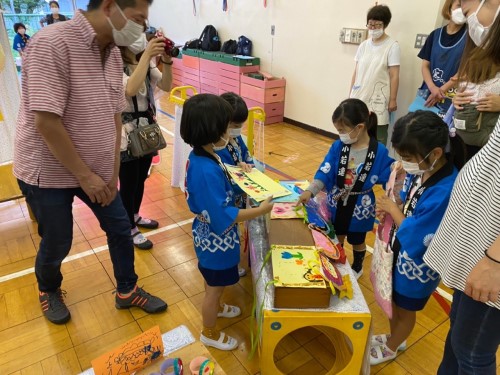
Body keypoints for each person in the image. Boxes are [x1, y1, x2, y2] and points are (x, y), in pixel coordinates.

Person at [13, 0, 167, 325]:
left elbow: (115, 115)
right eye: (138, 18)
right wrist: (85, 176)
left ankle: (127, 290)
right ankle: (48, 287)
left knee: (120, 227)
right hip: (48, 173)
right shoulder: (51, 43)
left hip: (97, 171)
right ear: (111, 7)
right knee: (58, 240)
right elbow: (46, 122)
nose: (141, 28)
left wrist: (111, 172)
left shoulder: (111, 52)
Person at [423, 0, 500, 373]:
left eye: (479, 5)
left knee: (473, 352)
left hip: (492, 256)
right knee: (458, 339)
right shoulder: (480, 56)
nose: (469, 13)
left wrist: (495, 261)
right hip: (478, 243)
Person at [371, 110, 465, 365]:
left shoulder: (446, 188)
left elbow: (419, 234)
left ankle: (393, 345)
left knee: (405, 309)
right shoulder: (425, 170)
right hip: (402, 253)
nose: (403, 162)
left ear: (434, 153)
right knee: (394, 301)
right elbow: (411, 205)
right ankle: (394, 337)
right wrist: (396, 203)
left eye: (408, 157)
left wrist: (394, 210)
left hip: (417, 265)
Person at [181, 94, 273, 351]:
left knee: (214, 283)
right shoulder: (206, 168)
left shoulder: (206, 154)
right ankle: (209, 331)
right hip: (215, 238)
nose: (229, 132)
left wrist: (239, 171)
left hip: (211, 235)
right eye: (225, 126)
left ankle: (218, 307)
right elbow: (224, 214)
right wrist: (261, 210)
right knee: (214, 288)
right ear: (212, 130)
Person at [298, 98, 394, 279]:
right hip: (337, 201)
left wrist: (399, 172)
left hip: (361, 206)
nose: (340, 134)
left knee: (358, 239)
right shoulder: (338, 147)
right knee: (336, 235)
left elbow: (390, 176)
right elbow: (325, 170)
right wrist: (310, 191)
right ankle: (336, 260)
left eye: (342, 130)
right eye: (338, 130)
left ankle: (357, 266)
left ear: (359, 127)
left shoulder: (379, 151)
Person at [119, 33, 172, 250]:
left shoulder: (146, 63)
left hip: (146, 128)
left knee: (141, 177)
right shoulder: (115, 64)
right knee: (129, 180)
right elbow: (130, 89)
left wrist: (167, 60)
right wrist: (147, 56)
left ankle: (135, 215)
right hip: (126, 130)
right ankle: (128, 227)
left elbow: (167, 85)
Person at [453, 0, 500, 159]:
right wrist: (458, 100)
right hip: (466, 141)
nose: (471, 23)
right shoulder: (477, 55)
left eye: (467, 14)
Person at [350, 4, 400, 146]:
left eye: (377, 25)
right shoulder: (364, 45)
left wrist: (393, 99)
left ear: (385, 24)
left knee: (378, 136)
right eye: (370, 24)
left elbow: (395, 75)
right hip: (359, 94)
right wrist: (350, 94)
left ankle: (377, 163)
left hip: (379, 98)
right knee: (356, 130)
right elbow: (356, 71)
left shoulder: (392, 46)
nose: (373, 28)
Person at [216, 92, 253, 277]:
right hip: (227, 198)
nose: (237, 129)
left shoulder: (237, 140)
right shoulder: (217, 145)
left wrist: (247, 165)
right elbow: (223, 176)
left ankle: (232, 261)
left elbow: (246, 157)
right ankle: (226, 266)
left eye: (240, 126)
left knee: (235, 230)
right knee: (226, 231)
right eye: (234, 125)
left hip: (239, 196)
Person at [416, 0, 467, 115]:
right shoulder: (435, 34)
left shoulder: (470, 38)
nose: (463, 9)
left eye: (466, 6)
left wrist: (441, 90)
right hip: (428, 91)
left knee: (441, 130)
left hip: (451, 96)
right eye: (459, 5)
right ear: (449, 8)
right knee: (418, 127)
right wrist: (433, 88)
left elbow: (465, 71)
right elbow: (425, 65)